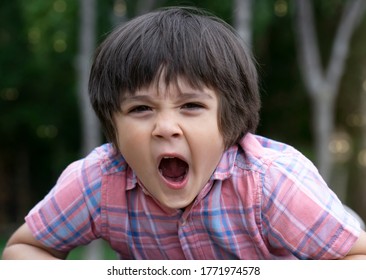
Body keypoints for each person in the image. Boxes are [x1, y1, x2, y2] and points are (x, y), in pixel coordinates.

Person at [2, 6, 366, 260]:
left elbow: (357, 259)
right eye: (141, 109)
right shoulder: (99, 181)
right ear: (111, 125)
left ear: (230, 122)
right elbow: (22, 251)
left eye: (191, 106)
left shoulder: (271, 182)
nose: (165, 128)